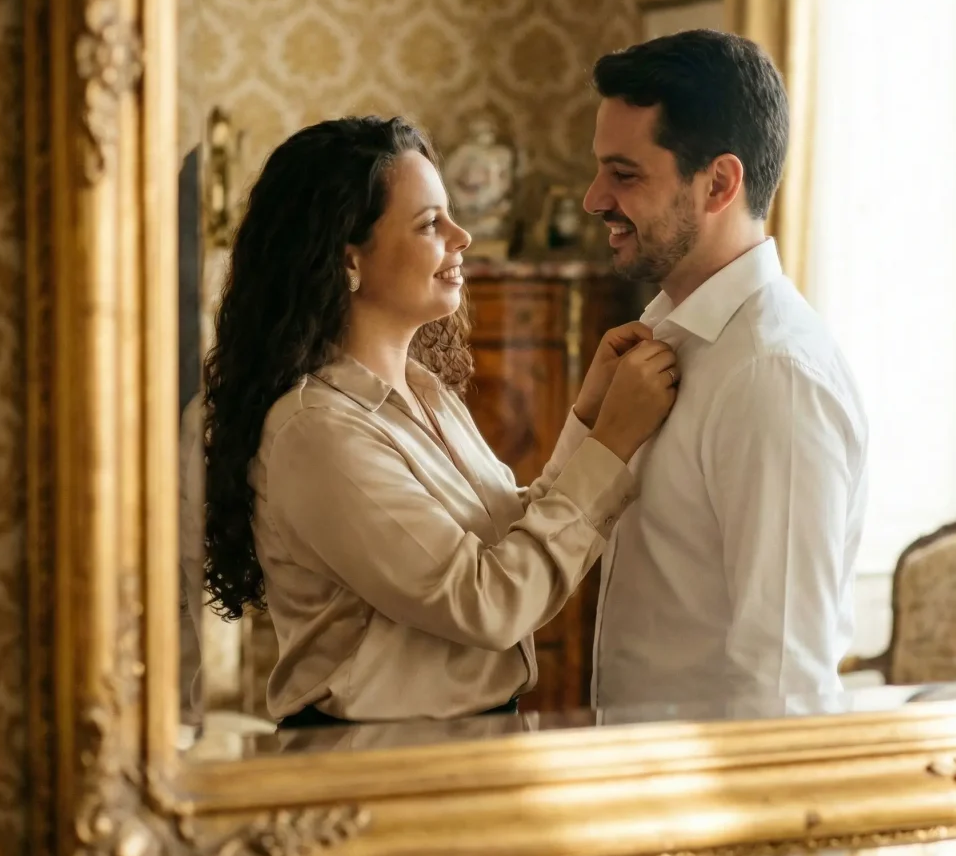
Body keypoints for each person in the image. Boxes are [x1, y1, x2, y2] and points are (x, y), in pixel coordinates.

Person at [197, 115, 678, 726]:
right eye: (430, 223)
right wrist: (612, 445)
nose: (463, 236)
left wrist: (589, 419)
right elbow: (488, 601)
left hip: (464, 746)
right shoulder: (316, 432)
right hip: (372, 765)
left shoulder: (427, 392)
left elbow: (507, 536)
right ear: (348, 260)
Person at [579, 29, 869, 708]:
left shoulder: (774, 375)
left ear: (718, 183)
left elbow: (784, 683)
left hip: (711, 809)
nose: (594, 198)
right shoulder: (659, 339)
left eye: (624, 174)